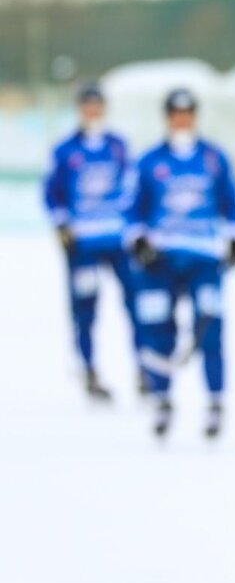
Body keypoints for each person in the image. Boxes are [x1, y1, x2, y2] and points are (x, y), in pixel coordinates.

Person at [126, 88, 235, 438]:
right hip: (160, 260)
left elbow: (231, 201)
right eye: (176, 113)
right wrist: (138, 241)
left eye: (188, 112)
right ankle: (161, 398)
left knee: (209, 327)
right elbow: (132, 209)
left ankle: (215, 401)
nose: (183, 119)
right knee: (157, 326)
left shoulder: (214, 158)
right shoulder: (149, 161)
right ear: (167, 117)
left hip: (204, 256)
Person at [43, 82, 141, 400]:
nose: (92, 111)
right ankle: (88, 368)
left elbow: (134, 187)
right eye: (87, 106)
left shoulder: (118, 147)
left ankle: (144, 368)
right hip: (83, 242)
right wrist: (62, 225)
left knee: (136, 302)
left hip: (117, 239)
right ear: (80, 109)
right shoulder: (65, 150)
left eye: (97, 106)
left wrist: (135, 228)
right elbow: (52, 192)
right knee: (85, 308)